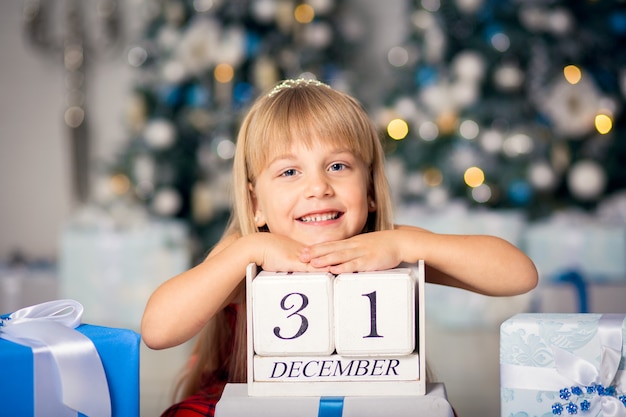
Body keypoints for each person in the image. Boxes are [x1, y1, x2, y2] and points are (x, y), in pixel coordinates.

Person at [141, 78, 538, 416]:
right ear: (256, 204)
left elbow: (519, 274)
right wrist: (248, 253)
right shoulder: (244, 253)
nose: (318, 188)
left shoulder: (384, 246)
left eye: (337, 166)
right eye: (290, 171)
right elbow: (158, 330)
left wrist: (406, 242)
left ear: (368, 191)